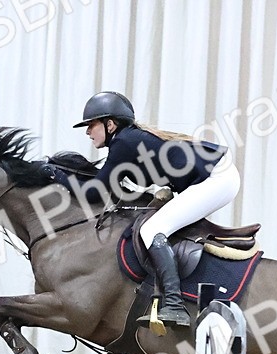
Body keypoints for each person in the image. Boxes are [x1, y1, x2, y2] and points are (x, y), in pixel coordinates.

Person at [48, 91, 241, 330]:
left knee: (152, 230)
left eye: (91, 124)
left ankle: (174, 304)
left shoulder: (123, 143)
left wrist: (56, 177)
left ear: (110, 124)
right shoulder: (127, 140)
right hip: (216, 175)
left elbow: (95, 192)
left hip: (216, 178)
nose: (87, 131)